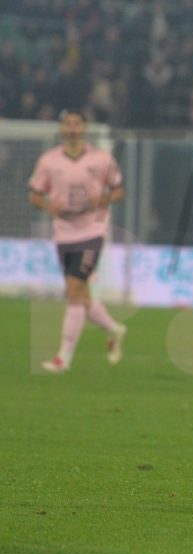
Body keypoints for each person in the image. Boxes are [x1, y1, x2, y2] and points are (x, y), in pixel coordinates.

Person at [29, 109, 127, 373]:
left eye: (77, 124)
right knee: (80, 294)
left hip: (92, 232)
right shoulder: (49, 161)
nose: (72, 129)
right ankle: (114, 329)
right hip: (63, 234)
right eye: (68, 124)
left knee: (74, 291)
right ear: (62, 129)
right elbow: (35, 195)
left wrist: (103, 199)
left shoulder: (102, 158)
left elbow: (118, 190)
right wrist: (50, 207)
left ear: (84, 128)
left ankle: (63, 358)